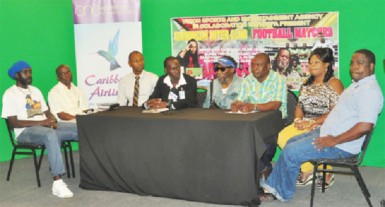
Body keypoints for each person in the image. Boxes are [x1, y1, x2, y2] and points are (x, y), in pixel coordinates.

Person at [259, 49, 383, 202]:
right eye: (352, 63)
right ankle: (275, 185)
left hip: (340, 144)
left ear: (371, 67)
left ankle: (280, 191)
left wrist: (334, 140)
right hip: (327, 132)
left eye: (360, 63)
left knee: (292, 151)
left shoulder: (369, 91)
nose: (354, 67)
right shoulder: (357, 86)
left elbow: (365, 126)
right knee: (291, 141)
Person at [2, 61, 79, 198]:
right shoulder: (10, 94)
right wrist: (42, 123)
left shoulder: (35, 90)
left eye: (30, 71)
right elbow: (13, 123)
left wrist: (52, 120)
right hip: (25, 132)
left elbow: (47, 111)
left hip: (44, 127)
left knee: (80, 127)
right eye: (25, 72)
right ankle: (57, 182)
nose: (29, 75)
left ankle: (95, 169)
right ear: (16, 75)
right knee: (51, 135)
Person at [277, 48, 344, 187]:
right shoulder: (306, 83)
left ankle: (326, 172)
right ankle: (310, 169)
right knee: (282, 137)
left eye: (316, 62)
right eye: (310, 62)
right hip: (306, 123)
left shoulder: (334, 83)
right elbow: (299, 106)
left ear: (326, 65)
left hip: (325, 125)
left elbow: (336, 112)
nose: (312, 65)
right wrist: (298, 120)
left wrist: (313, 122)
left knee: (304, 142)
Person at [231, 53, 287, 179]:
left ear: (268, 66)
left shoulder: (278, 79)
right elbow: (241, 99)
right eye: (253, 65)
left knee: (264, 143)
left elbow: (276, 104)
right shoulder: (248, 79)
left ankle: (263, 168)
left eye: (258, 65)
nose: (254, 68)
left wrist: (254, 106)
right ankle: (260, 169)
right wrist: (236, 104)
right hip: (253, 120)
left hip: (274, 121)